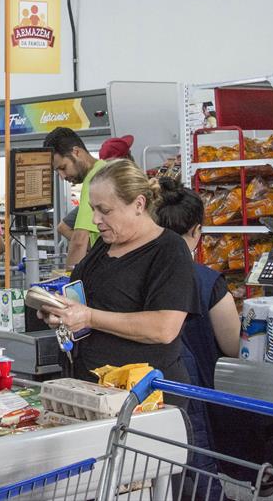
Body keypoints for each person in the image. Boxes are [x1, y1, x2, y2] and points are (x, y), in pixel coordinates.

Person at [37, 159, 200, 400]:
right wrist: (62, 312)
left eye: (105, 210)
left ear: (138, 204)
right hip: (93, 390)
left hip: (144, 398)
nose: (95, 219)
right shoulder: (104, 247)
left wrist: (89, 316)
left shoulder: (169, 251)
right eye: (93, 209)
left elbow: (163, 328)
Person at [155, 178, 240, 497]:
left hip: (158, 399)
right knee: (204, 480)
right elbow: (233, 347)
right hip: (205, 400)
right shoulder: (207, 281)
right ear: (196, 231)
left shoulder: (147, 275)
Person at [45, 128, 105, 267]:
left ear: (76, 152)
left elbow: (79, 241)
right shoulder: (104, 169)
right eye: (57, 171)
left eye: (63, 168)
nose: (62, 176)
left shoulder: (94, 179)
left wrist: (68, 283)